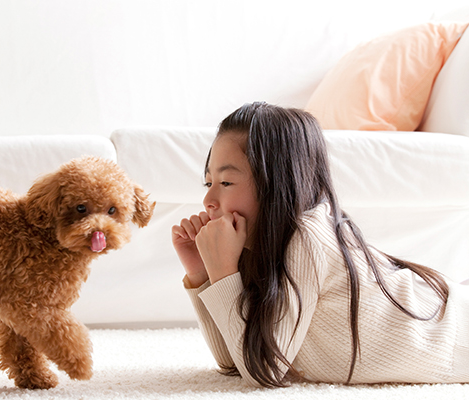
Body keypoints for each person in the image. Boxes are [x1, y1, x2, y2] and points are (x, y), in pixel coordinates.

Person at [171, 102, 469, 387]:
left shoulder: (306, 236)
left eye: (225, 183)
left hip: (455, 333)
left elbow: (263, 371)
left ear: (276, 182)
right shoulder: (256, 246)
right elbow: (235, 361)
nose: (208, 201)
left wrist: (222, 271)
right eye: (208, 183)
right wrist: (202, 274)